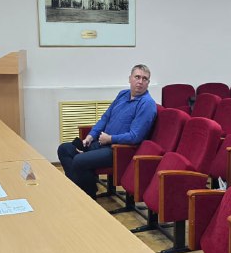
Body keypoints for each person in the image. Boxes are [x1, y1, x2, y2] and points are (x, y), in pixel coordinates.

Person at [57, 64, 157, 199]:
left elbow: (135, 136)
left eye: (144, 79)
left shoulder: (147, 104)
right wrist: (90, 136)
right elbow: (105, 118)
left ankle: (88, 197)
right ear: (130, 79)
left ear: (148, 83)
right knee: (64, 149)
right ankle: (82, 190)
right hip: (102, 143)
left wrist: (110, 138)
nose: (140, 81)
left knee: (79, 160)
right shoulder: (123, 94)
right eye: (137, 77)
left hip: (119, 150)